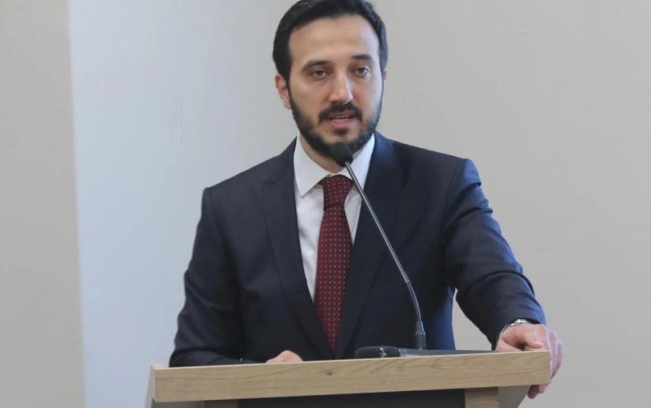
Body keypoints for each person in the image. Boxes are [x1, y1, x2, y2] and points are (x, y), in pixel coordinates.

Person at [170, 0, 563, 399]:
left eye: (360, 70)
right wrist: (259, 378)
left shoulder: (440, 184)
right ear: (284, 89)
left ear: (383, 78)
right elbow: (193, 358)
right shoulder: (230, 208)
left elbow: (491, 276)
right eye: (319, 73)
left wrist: (517, 322)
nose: (342, 93)